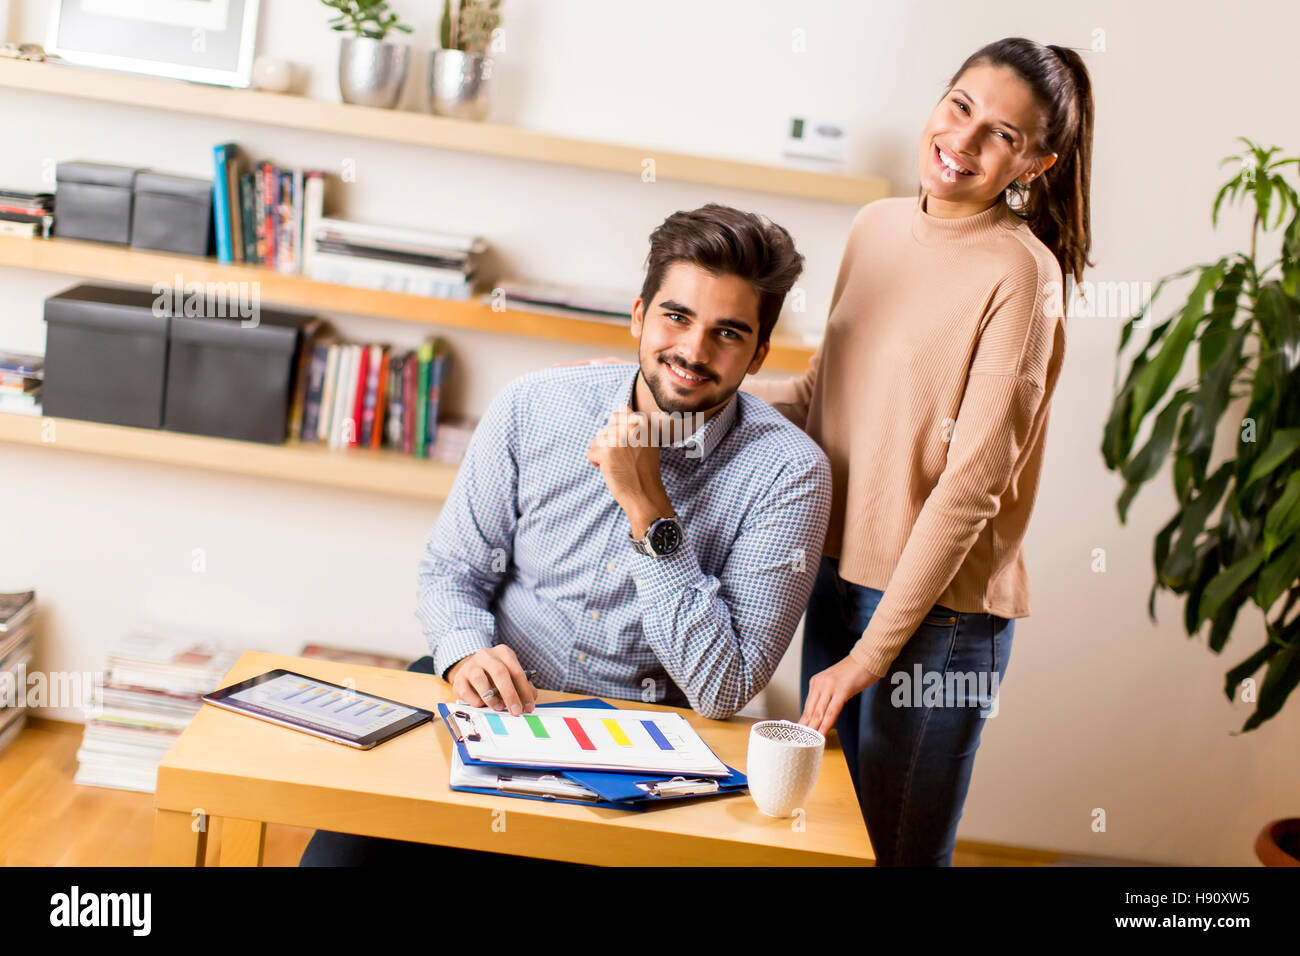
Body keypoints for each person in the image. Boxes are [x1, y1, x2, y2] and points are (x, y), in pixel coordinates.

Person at [300, 203, 833, 865]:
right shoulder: (535, 405)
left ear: (757, 353)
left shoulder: (790, 474)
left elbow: (722, 690)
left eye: (727, 333)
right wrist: (466, 650)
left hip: (639, 758)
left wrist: (649, 509)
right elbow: (452, 573)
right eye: (677, 317)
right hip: (486, 705)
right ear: (639, 316)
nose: (694, 352)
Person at [745, 37, 1094, 866]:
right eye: (961, 105)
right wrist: (671, 395)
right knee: (825, 837)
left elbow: (972, 485)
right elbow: (816, 397)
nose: (965, 141)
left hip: (936, 615)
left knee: (894, 851)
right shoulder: (876, 228)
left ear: (1035, 163)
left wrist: (873, 654)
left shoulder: (1023, 274)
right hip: (831, 575)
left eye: (1002, 136)